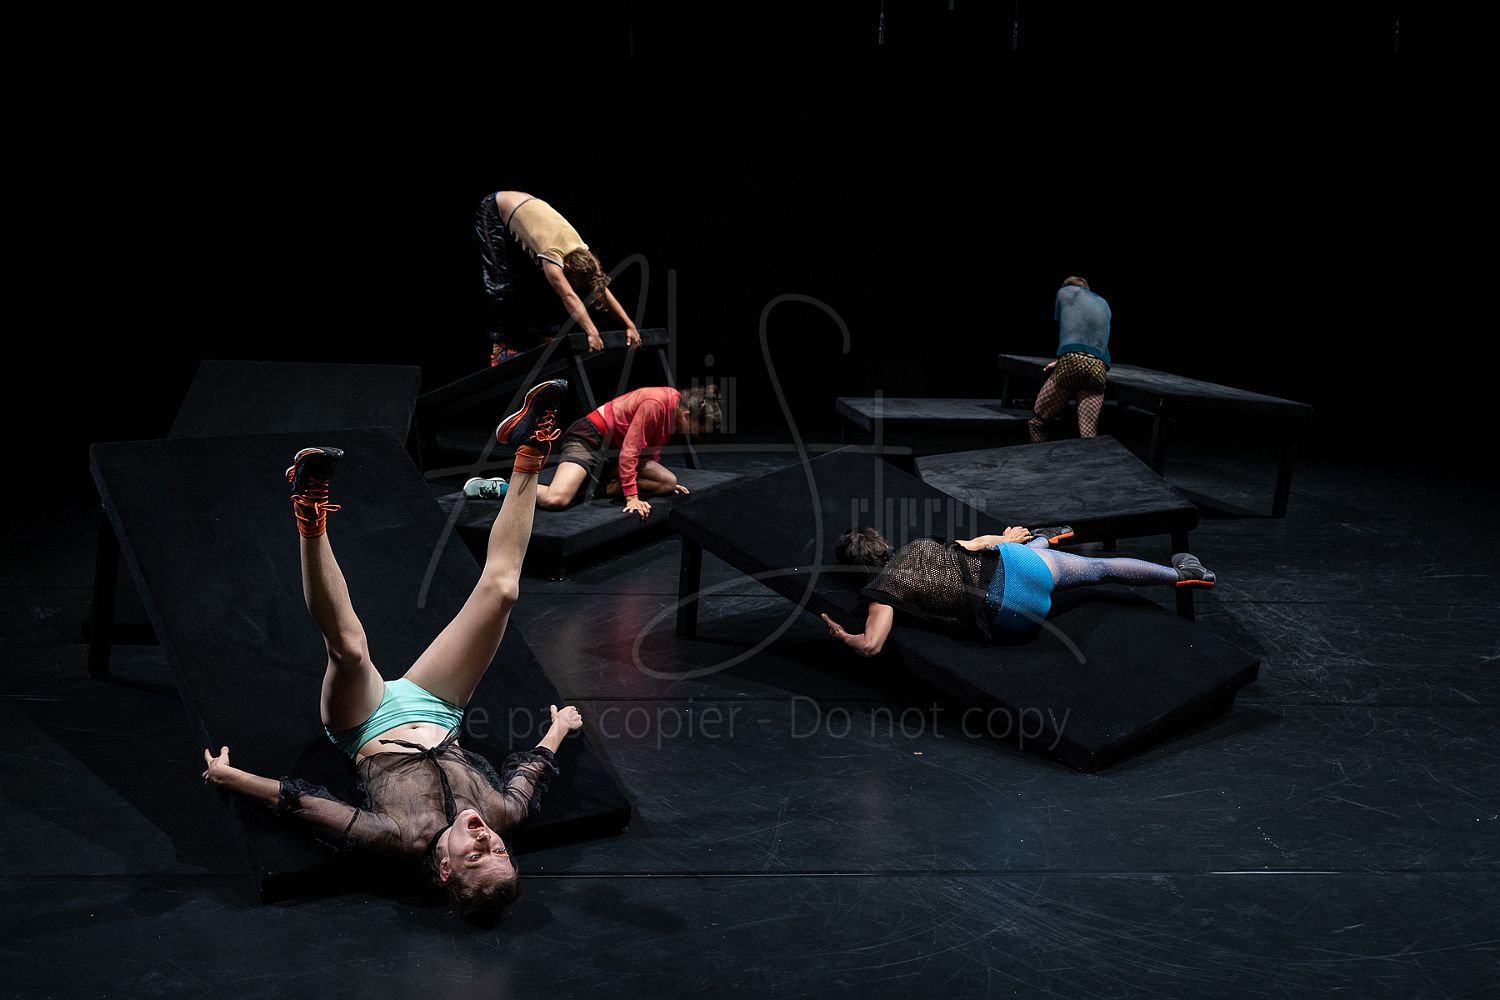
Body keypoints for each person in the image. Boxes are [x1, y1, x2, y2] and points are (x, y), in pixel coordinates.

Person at [199, 379, 581, 920]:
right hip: (438, 707)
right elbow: (535, 769)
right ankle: (529, 450)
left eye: (476, 857)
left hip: (363, 724)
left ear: (444, 868)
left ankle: (308, 507)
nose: (487, 841)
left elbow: (302, 803)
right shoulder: (504, 813)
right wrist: (559, 728)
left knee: (350, 649)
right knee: (502, 591)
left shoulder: (396, 836)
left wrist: (230, 778)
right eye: (499, 852)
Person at [820, 525, 1215, 656]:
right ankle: (1181, 573)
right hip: (1020, 566)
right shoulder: (921, 545)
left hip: (1013, 613)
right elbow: (979, 544)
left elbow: (872, 645)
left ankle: (1043, 539)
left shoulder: (881, 590)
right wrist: (1010, 538)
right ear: (883, 544)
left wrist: (845, 636)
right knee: (1100, 569)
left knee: (1045, 559)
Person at [476, 190, 641, 366]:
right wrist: (592, 332)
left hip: (526, 201)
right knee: (501, 282)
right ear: (567, 267)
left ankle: (542, 335)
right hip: (493, 207)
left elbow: (602, 290)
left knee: (541, 282)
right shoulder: (552, 254)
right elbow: (568, 296)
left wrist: (630, 326)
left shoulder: (582, 250)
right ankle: (501, 347)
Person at [531, 385, 722, 520]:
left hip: (615, 454)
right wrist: (632, 498)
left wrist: (658, 480)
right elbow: (630, 451)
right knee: (556, 499)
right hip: (590, 439)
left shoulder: (676, 408)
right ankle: (514, 487)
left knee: (667, 482)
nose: (694, 434)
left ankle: (594, 486)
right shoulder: (656, 403)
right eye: (697, 429)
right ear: (688, 415)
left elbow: (650, 451)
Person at [1030, 276, 1111, 442]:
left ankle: (1041, 456)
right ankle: (1092, 459)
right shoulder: (1104, 303)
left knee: (1037, 424)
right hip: (1099, 367)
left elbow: (1067, 327)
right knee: (1089, 436)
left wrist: (1063, 359)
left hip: (1073, 361)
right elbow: (1090, 334)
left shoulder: (1065, 292)